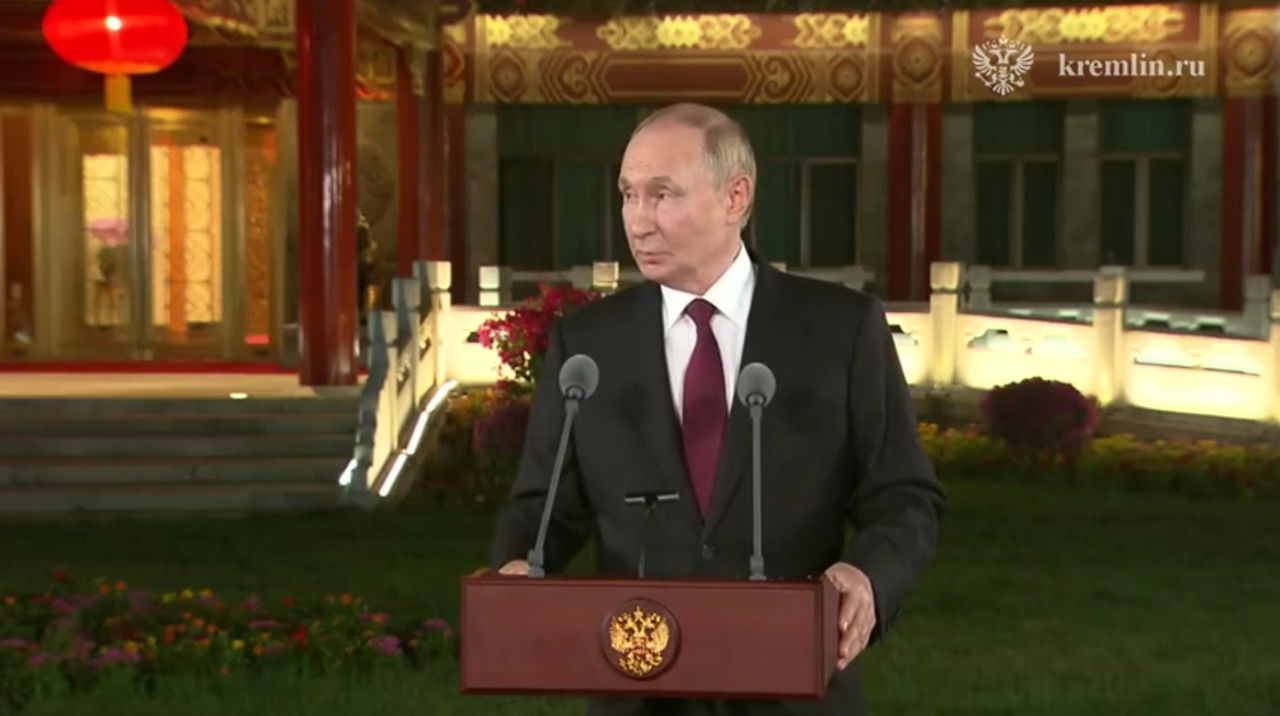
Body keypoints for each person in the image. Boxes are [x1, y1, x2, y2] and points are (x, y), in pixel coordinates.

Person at [488, 102, 945, 716]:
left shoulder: (840, 330)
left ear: (736, 198)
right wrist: (518, 564)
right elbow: (543, 506)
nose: (638, 221)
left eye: (663, 195)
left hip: (791, 685)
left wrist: (866, 578)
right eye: (628, 195)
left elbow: (905, 496)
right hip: (638, 689)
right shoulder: (587, 347)